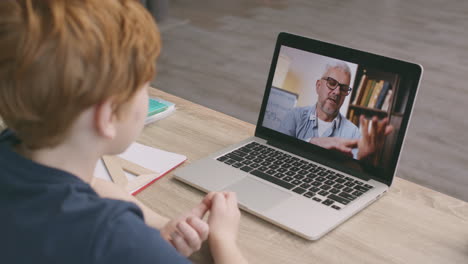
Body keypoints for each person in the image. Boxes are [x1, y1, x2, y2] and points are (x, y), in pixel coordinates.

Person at [0, 0, 247, 263]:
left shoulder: (13, 145)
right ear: (108, 115)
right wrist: (223, 241)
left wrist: (158, 225)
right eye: (145, 86)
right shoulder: (116, 240)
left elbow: (90, 185)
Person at [278, 62, 393, 164]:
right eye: (332, 83)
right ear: (318, 86)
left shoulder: (353, 133)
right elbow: (278, 154)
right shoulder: (294, 116)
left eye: (343, 89)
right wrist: (312, 142)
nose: (337, 92)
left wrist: (364, 160)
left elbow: (354, 173)